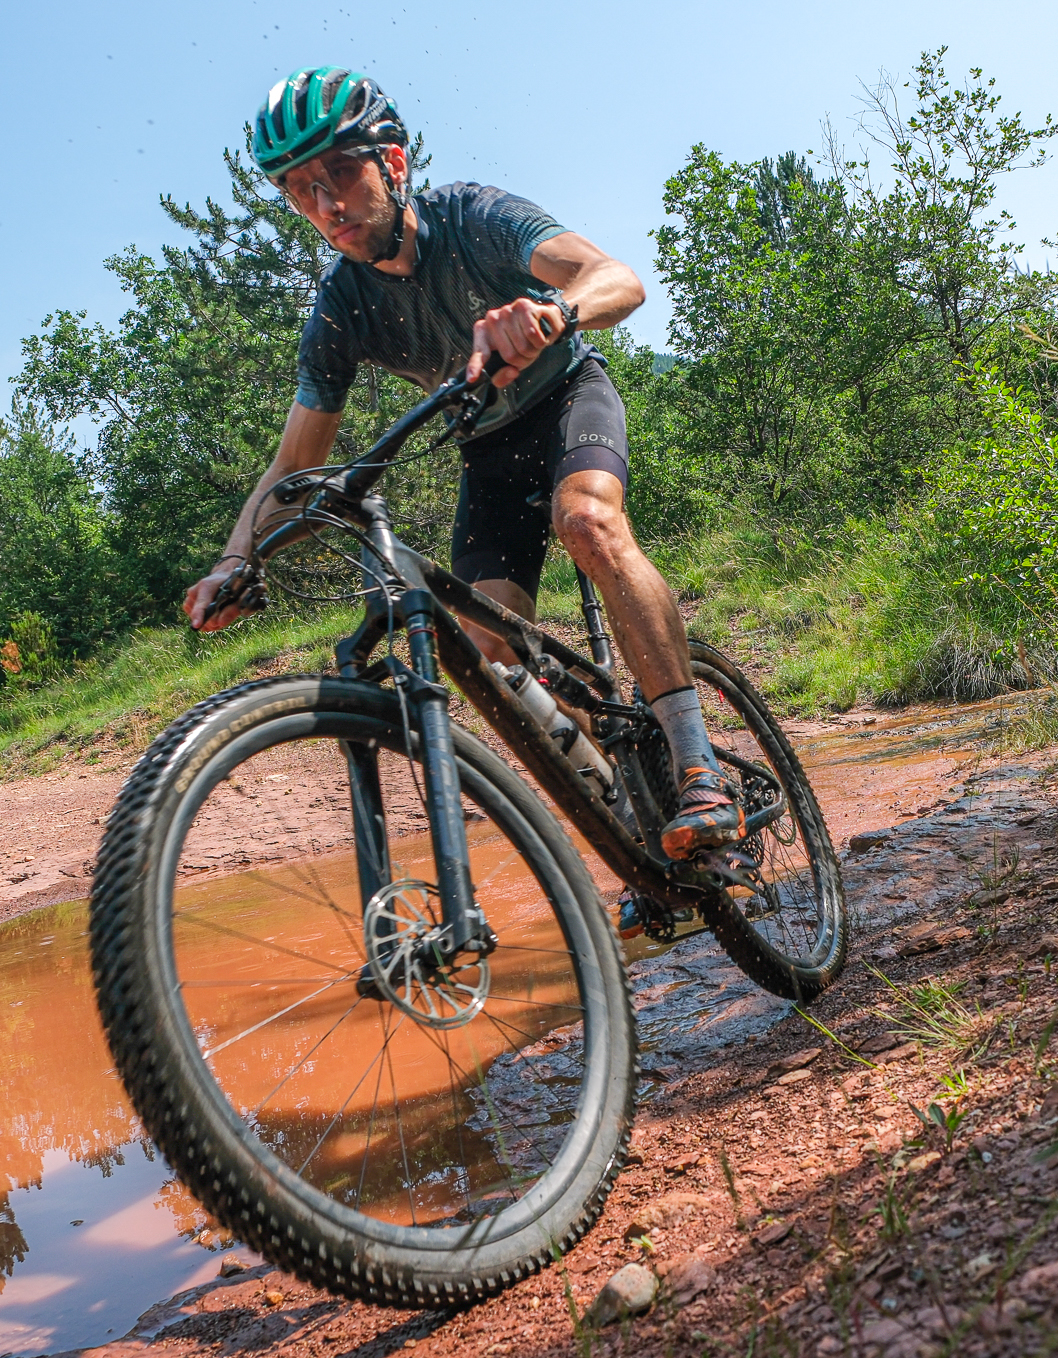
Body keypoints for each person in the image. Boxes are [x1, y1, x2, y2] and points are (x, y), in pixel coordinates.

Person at [182, 66, 745, 867]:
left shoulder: (475, 216)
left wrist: (554, 310)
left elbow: (617, 279)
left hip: (567, 397)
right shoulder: (341, 307)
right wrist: (236, 558)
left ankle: (697, 769)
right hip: (488, 448)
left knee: (587, 520)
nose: (326, 205)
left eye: (339, 173)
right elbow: (294, 463)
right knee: (486, 649)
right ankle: (632, 804)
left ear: (393, 163)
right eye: (302, 191)